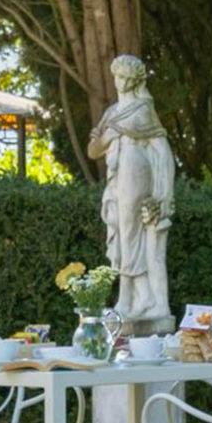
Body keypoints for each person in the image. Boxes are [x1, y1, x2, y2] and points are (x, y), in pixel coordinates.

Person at [88, 54, 176, 329]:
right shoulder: (112, 113)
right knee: (123, 232)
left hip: (136, 173)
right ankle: (140, 297)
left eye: (127, 78)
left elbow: (162, 150)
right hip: (117, 179)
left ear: (136, 80)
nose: (122, 82)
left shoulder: (143, 109)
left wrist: (164, 193)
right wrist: (109, 136)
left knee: (129, 231)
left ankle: (128, 299)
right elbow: (93, 150)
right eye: (118, 76)